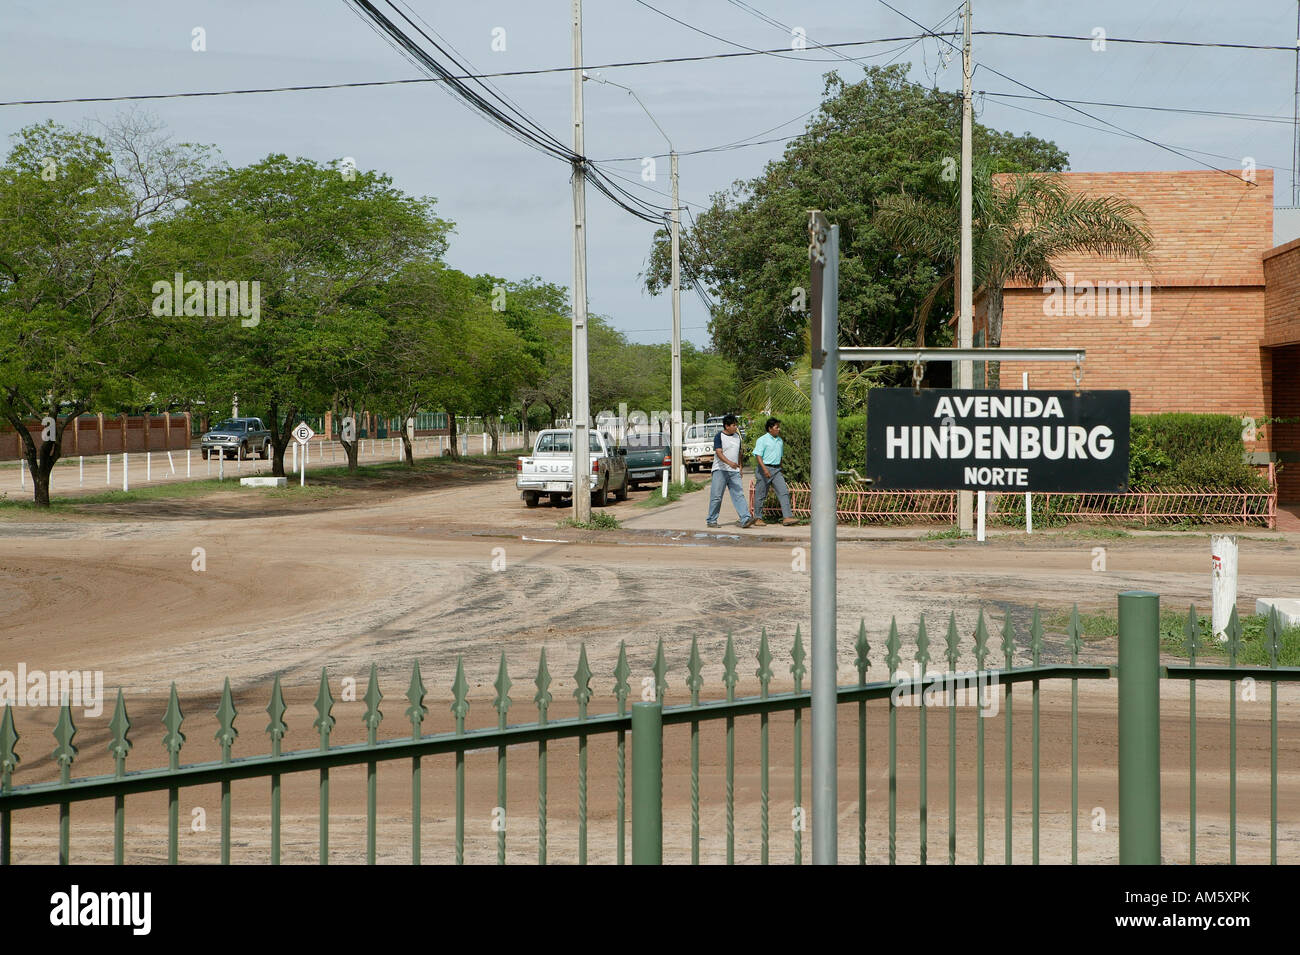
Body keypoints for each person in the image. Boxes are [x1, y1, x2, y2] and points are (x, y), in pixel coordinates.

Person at [706, 414, 753, 528]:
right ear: (726, 426)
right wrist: (729, 463)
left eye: (736, 425)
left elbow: (739, 453)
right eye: (733, 425)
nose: (735, 427)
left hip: (734, 471)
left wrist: (740, 467)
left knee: (739, 495)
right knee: (716, 496)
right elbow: (719, 452)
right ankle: (712, 520)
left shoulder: (737, 437)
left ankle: (745, 518)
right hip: (720, 470)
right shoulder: (719, 436)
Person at [751, 417, 797, 526]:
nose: (779, 429)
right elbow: (758, 456)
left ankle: (787, 517)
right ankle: (758, 518)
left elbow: (780, 456)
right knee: (761, 494)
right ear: (770, 428)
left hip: (776, 470)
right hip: (764, 469)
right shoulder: (762, 440)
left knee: (784, 492)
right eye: (777, 427)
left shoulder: (780, 440)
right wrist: (765, 469)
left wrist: (780, 467)